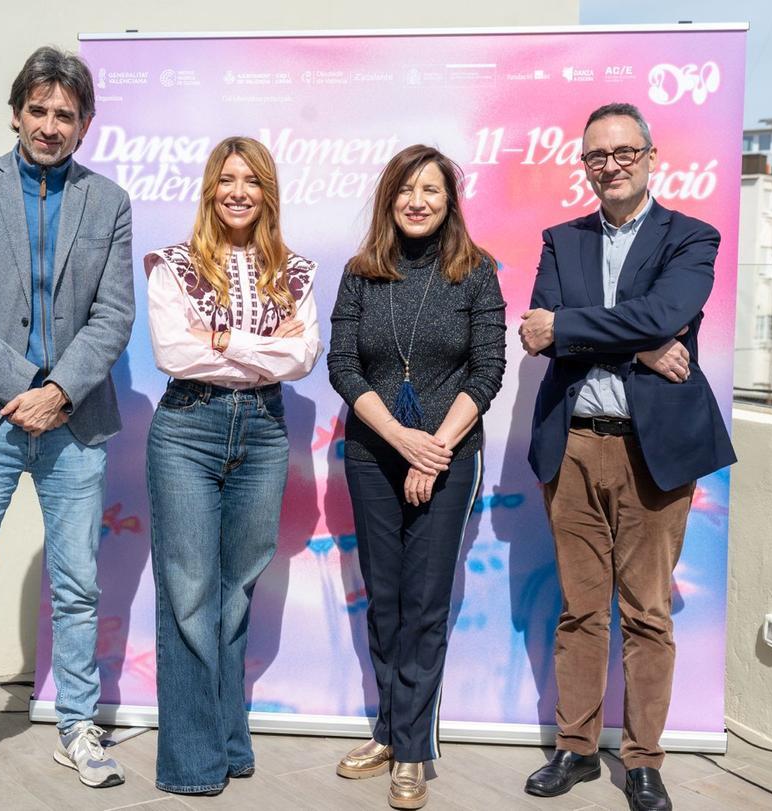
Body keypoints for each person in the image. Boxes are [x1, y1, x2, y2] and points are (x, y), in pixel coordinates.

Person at [0, 46, 134, 807]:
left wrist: (61, 390)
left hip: (74, 422)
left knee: (77, 587)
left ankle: (79, 727)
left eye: (64, 114)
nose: (49, 125)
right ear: (16, 114)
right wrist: (27, 388)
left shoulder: (109, 202)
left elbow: (114, 315)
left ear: (85, 124)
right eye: (37, 110)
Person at [518, 102, 737, 811]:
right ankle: (576, 749)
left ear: (649, 157)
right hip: (574, 444)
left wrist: (582, 329)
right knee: (581, 610)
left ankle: (642, 760)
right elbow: (538, 334)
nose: (609, 166)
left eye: (623, 153)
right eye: (596, 155)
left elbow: (663, 314)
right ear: (584, 165)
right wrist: (639, 348)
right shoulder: (562, 240)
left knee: (647, 612)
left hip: (654, 451)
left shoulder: (691, 237)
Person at [328, 145, 506, 810]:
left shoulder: (476, 273)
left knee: (425, 604)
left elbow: (488, 370)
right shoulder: (360, 274)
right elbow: (344, 367)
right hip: (373, 454)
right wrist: (401, 440)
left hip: (450, 456)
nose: (418, 201)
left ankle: (411, 749)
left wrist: (433, 450)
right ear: (389, 199)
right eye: (406, 189)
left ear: (449, 200)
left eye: (431, 189)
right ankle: (388, 730)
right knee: (385, 601)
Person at [143, 136, 322, 796]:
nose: (238, 191)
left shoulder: (295, 272)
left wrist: (220, 338)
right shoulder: (173, 265)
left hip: (264, 431)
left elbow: (303, 357)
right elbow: (173, 353)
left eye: (252, 180)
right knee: (189, 592)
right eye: (227, 179)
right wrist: (260, 345)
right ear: (210, 189)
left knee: (237, 590)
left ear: (268, 193)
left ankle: (227, 741)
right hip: (188, 427)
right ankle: (192, 762)